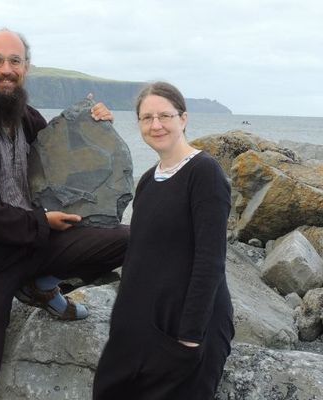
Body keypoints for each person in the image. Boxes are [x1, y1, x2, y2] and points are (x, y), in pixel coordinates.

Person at [0, 28, 130, 400]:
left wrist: (95, 124)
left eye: (15, 61)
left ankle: (41, 284)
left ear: (26, 67)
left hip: (38, 242)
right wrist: (42, 222)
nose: (6, 69)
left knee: (127, 239)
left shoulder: (27, 117)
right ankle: (32, 285)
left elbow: (64, 160)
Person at [93, 81, 234, 399]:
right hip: (144, 325)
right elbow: (140, 257)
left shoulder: (205, 174)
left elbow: (210, 261)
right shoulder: (147, 181)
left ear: (183, 119)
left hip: (188, 328)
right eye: (147, 118)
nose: (156, 125)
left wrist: (189, 337)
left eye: (165, 116)